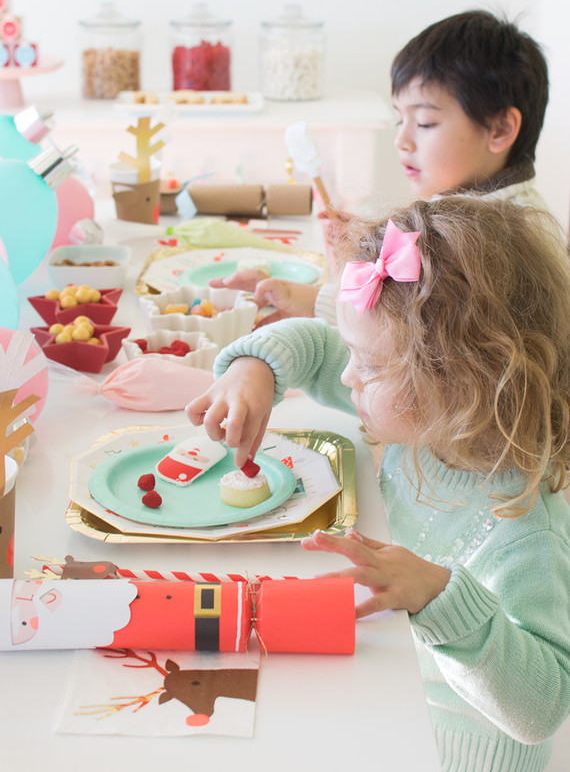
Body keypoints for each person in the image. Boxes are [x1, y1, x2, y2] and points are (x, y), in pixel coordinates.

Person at [187, 197, 570, 772]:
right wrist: (256, 368)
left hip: (455, 750)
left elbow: (542, 709)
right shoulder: (431, 416)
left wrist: (441, 598)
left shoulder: (522, 530)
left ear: (456, 383)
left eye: (369, 365)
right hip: (384, 695)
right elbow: (317, 348)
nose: (346, 376)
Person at [211, 9, 550, 327]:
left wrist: (332, 284)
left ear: (501, 129)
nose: (401, 140)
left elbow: (406, 335)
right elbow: (401, 303)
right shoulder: (471, 208)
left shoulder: (493, 242)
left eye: (426, 122)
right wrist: (313, 288)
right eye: (400, 119)